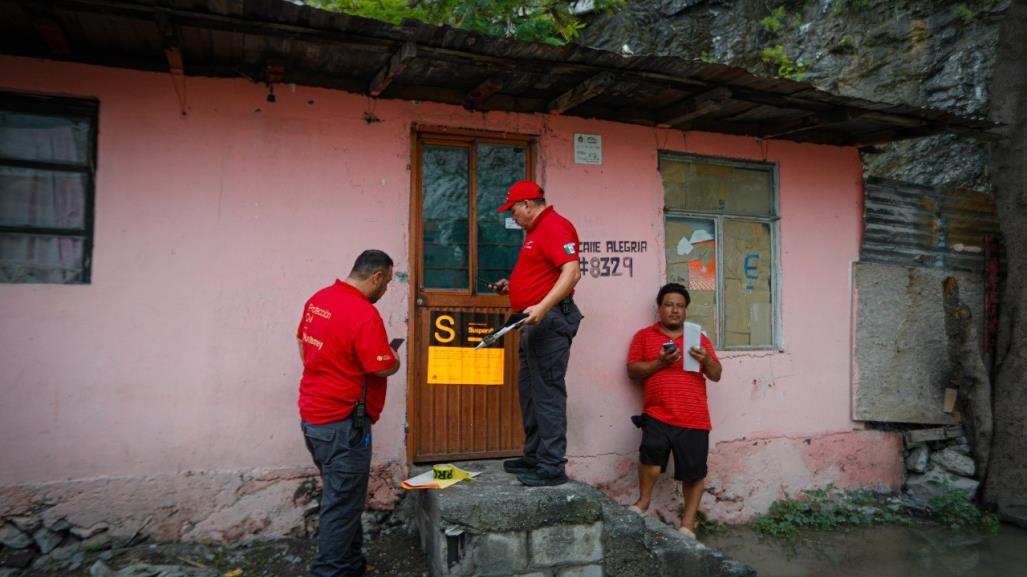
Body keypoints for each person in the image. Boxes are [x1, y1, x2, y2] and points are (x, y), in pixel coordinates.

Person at [295, 249, 401, 577]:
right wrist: (394, 359)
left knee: (344, 495)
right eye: (386, 284)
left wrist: (329, 373)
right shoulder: (363, 313)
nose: (385, 292)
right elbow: (380, 367)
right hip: (344, 425)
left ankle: (351, 564)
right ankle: (330, 571)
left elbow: (302, 342)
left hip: (313, 416)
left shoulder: (319, 299)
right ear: (376, 277)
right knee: (341, 506)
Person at [491, 180, 584, 487]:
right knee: (530, 392)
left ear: (528, 204)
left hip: (549, 321)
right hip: (531, 322)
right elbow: (544, 273)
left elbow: (572, 272)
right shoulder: (536, 231)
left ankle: (552, 466)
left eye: (513, 209)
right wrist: (514, 286)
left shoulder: (555, 226)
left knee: (547, 393)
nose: (512, 216)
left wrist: (543, 306)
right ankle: (534, 456)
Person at [626, 282, 722, 538]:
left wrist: (706, 360)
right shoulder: (643, 337)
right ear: (659, 308)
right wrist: (659, 363)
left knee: (693, 473)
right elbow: (633, 371)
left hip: (694, 417)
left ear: (686, 310)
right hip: (657, 413)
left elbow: (716, 375)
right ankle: (643, 502)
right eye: (669, 304)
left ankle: (688, 524)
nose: (675, 310)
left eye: (680, 306)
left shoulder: (699, 339)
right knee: (650, 459)